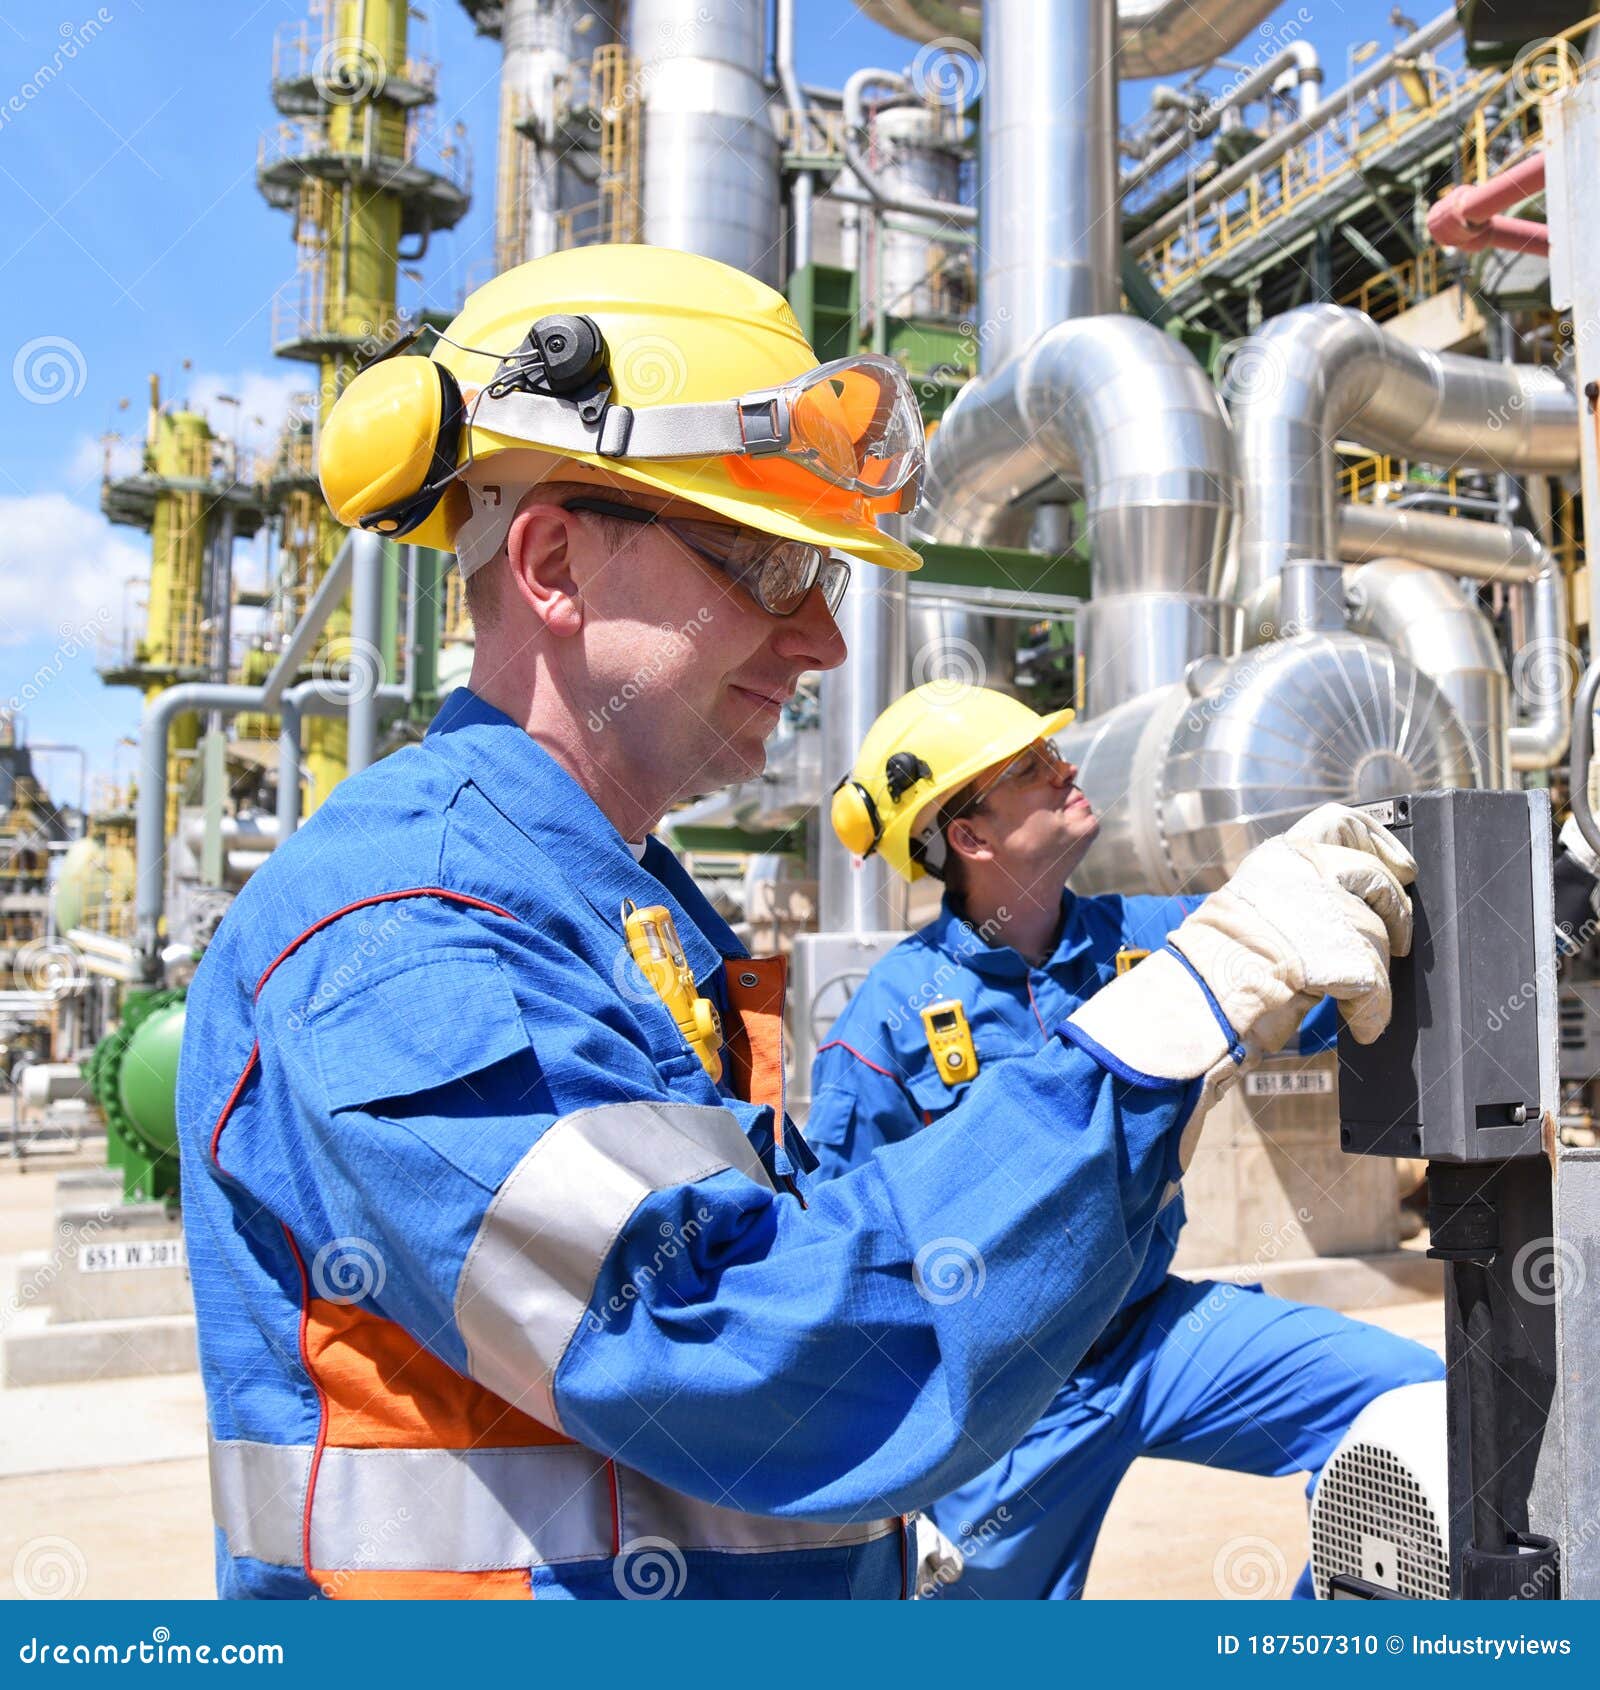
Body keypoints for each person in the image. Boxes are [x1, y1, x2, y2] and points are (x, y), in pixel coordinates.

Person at [175, 245, 1417, 1601]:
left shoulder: (624, 907)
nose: (824, 641)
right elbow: (724, 1347)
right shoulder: (407, 927)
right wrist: (1167, 1023)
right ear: (549, 562)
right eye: (768, 564)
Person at [809, 682, 1445, 1600]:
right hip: (1004, 1396)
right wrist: (891, 1483)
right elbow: (850, 1260)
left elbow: (1319, 997)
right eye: (1031, 768)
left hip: (1150, 1335)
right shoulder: (887, 1023)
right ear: (970, 837)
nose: (1067, 769)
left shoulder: (1150, 938)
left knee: (1411, 1404)